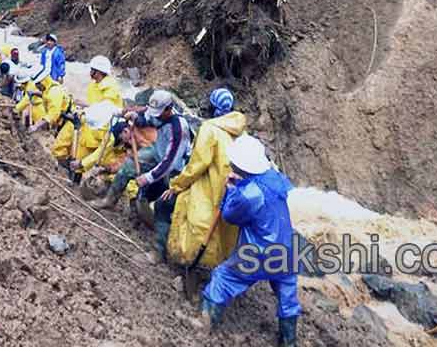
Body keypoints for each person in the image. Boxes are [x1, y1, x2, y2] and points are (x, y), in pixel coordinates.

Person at [195, 134, 300, 344]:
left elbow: (230, 216)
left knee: (223, 277)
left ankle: (204, 327)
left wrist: (232, 190)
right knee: (287, 294)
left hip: (259, 252)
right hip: (288, 250)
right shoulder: (274, 176)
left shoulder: (249, 194)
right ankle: (289, 341)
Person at [94, 89, 192, 264]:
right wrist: (133, 116)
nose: (155, 117)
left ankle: (158, 252)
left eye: (159, 114)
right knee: (128, 166)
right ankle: (109, 200)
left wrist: (148, 177)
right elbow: (146, 118)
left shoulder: (179, 129)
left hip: (176, 170)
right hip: (158, 153)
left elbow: (170, 162)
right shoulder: (159, 113)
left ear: (169, 109)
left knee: (162, 205)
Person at [163, 88, 244, 269]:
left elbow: (197, 165)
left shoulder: (210, 129)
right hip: (234, 190)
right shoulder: (241, 131)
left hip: (211, 186)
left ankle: (189, 262)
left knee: (194, 222)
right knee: (225, 231)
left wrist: (176, 185)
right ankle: (218, 268)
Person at [50, 55, 123, 169]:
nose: (90, 73)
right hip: (89, 123)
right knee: (73, 149)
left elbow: (106, 109)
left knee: (91, 158)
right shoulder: (94, 85)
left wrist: (85, 107)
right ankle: (67, 169)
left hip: (101, 128)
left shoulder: (110, 88)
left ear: (98, 72)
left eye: (92, 70)